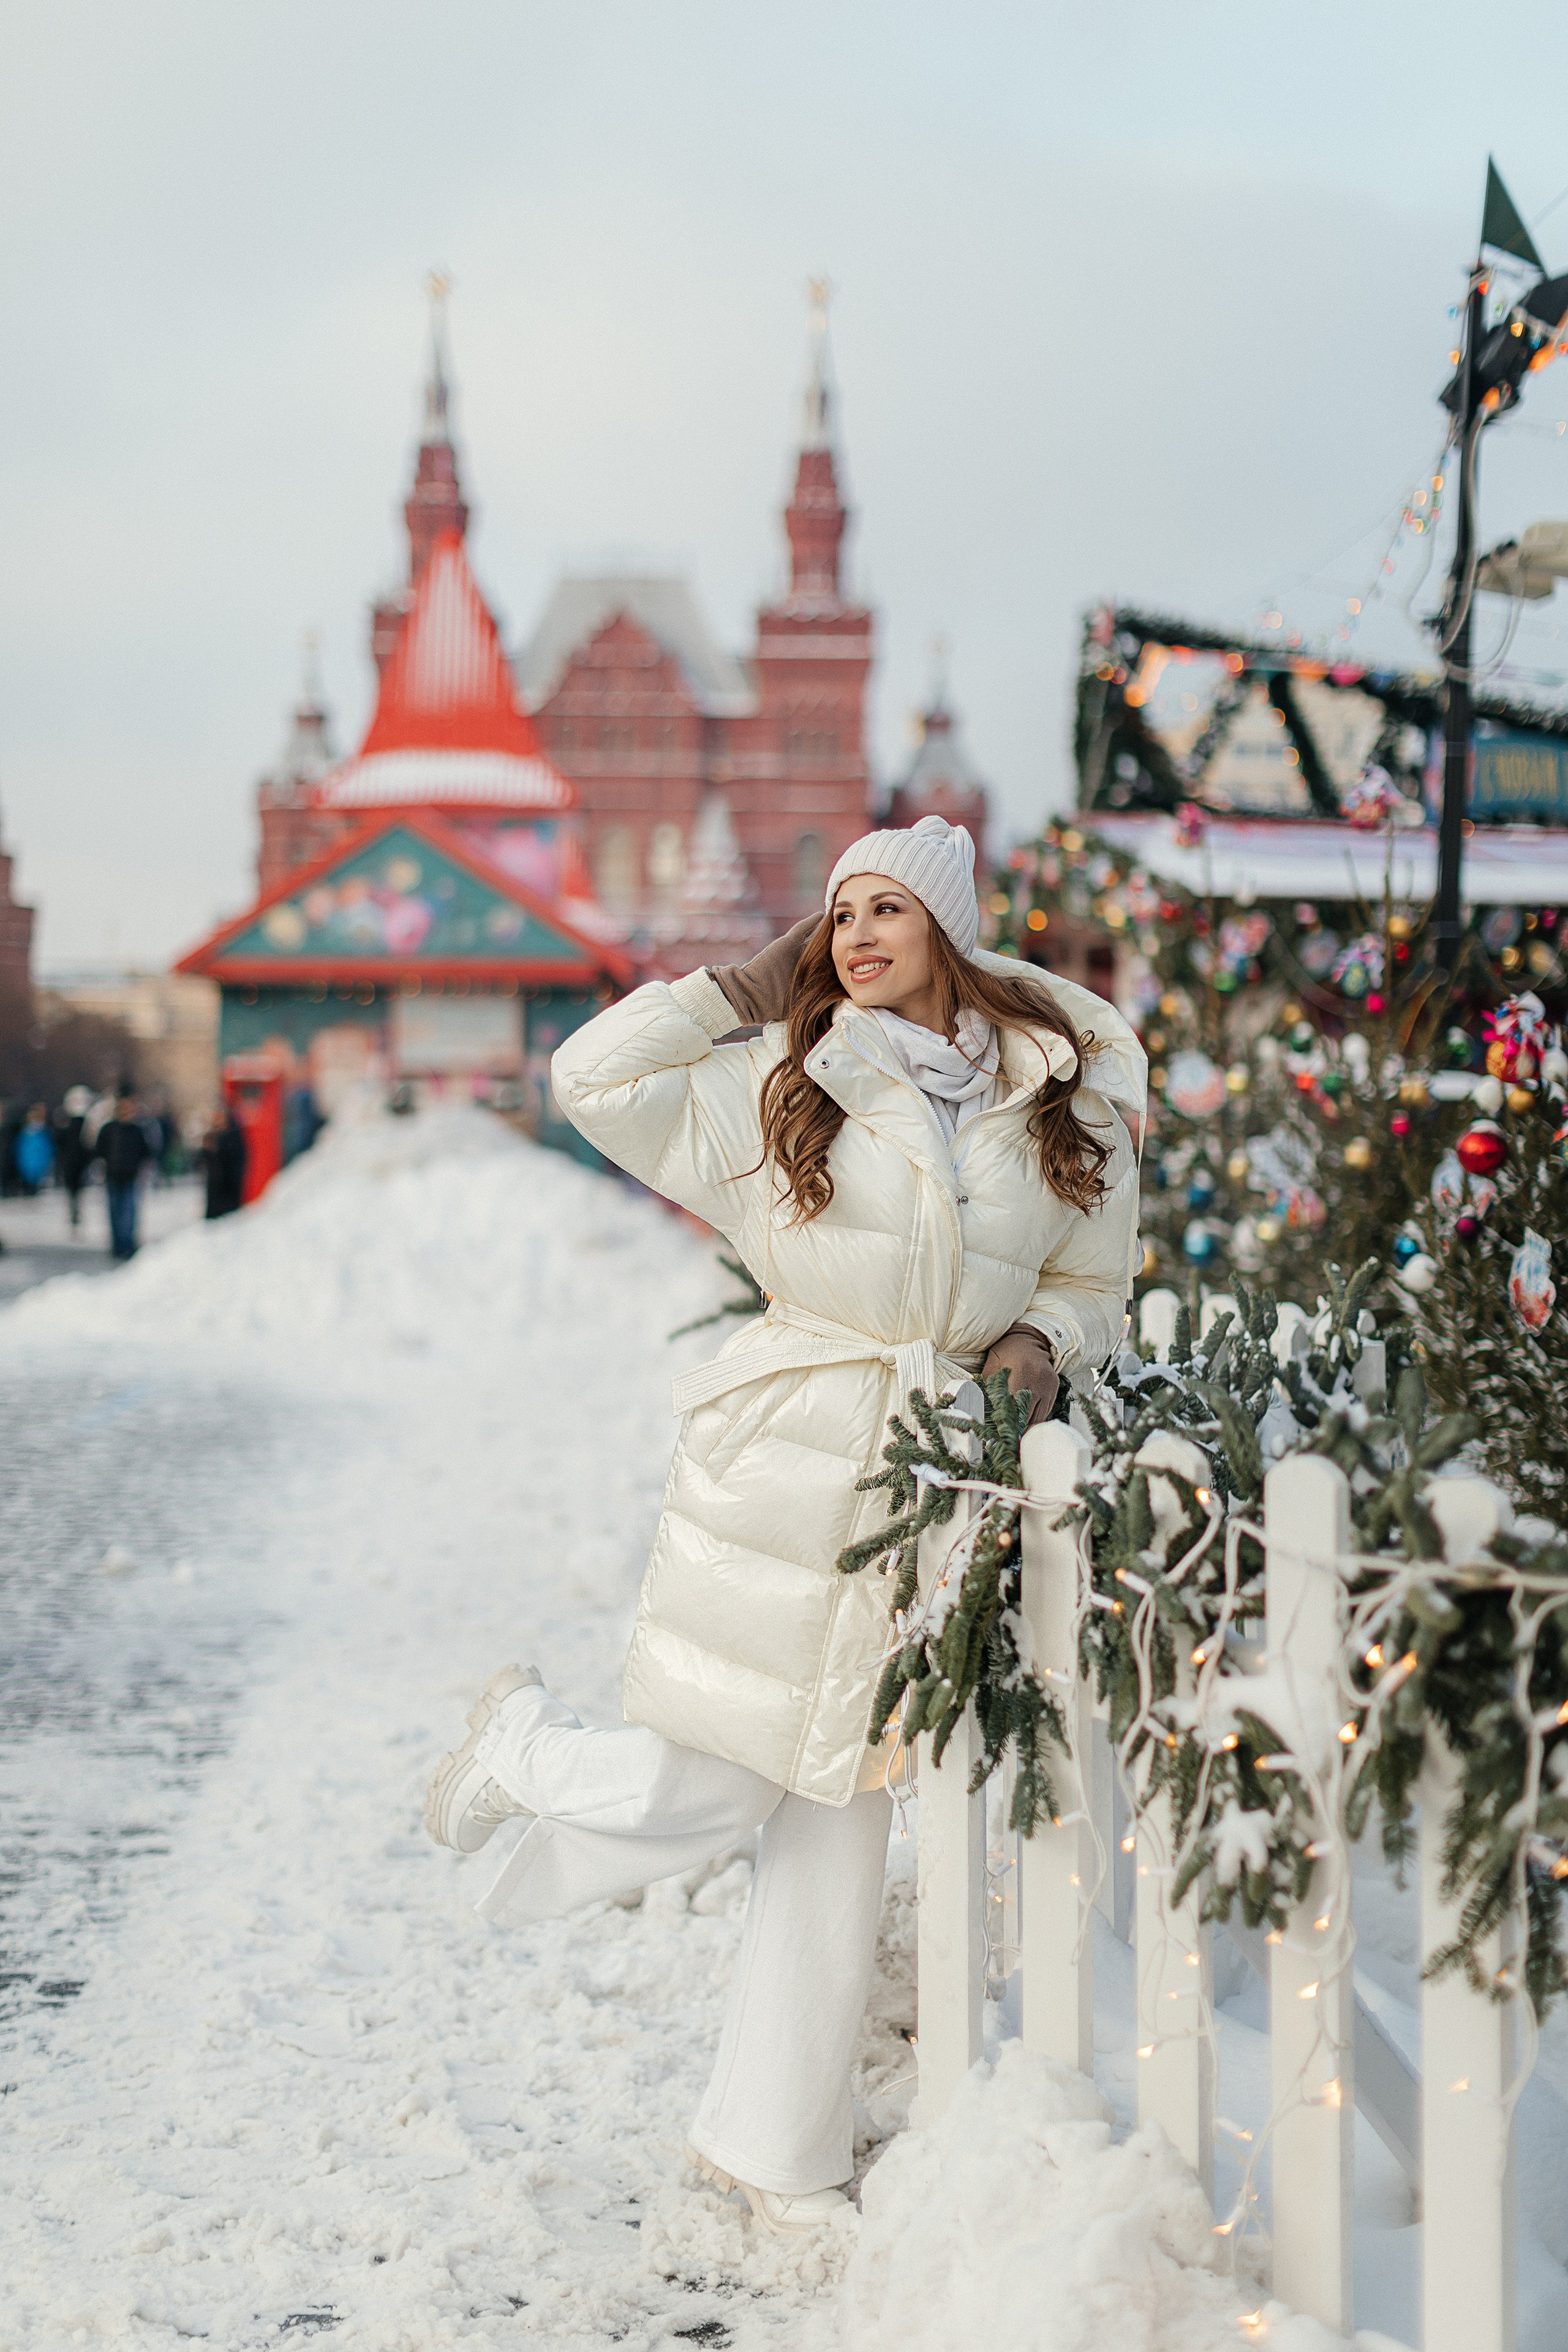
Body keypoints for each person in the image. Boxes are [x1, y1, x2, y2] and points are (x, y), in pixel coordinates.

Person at [422, 815, 1144, 2234]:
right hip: (788, 1457)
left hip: (937, 1474)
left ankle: (773, 2145)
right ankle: (524, 1747)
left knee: (843, 1812)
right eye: (837, 914)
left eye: (887, 909)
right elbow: (583, 1077)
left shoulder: (1058, 1094)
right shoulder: (777, 1082)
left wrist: (1041, 1342)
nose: (856, 936)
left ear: (949, 928)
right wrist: (729, 994)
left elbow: (1096, 1278)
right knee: (727, 1778)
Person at [92, 1092, 153, 1260]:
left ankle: (127, 1244)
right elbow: (99, 1150)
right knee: (115, 1212)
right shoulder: (109, 1129)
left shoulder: (136, 1130)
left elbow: (145, 1152)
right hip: (113, 1176)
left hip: (130, 1177)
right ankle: (118, 1244)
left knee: (128, 1212)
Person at [198, 1103, 247, 1219]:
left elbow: (235, 1159)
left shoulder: (233, 1135)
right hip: (215, 1185)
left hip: (229, 1186)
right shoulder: (213, 1135)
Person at [55, 1087, 94, 1227]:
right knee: (76, 1191)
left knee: (73, 1191)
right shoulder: (84, 1125)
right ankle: (75, 1212)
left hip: (71, 1163)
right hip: (78, 1162)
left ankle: (74, 1212)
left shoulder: (67, 1125)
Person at [12, 1104, 54, 1196]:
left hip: (38, 1168)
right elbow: (19, 1151)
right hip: (27, 1167)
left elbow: (48, 1150)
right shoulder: (24, 1135)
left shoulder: (43, 1133)